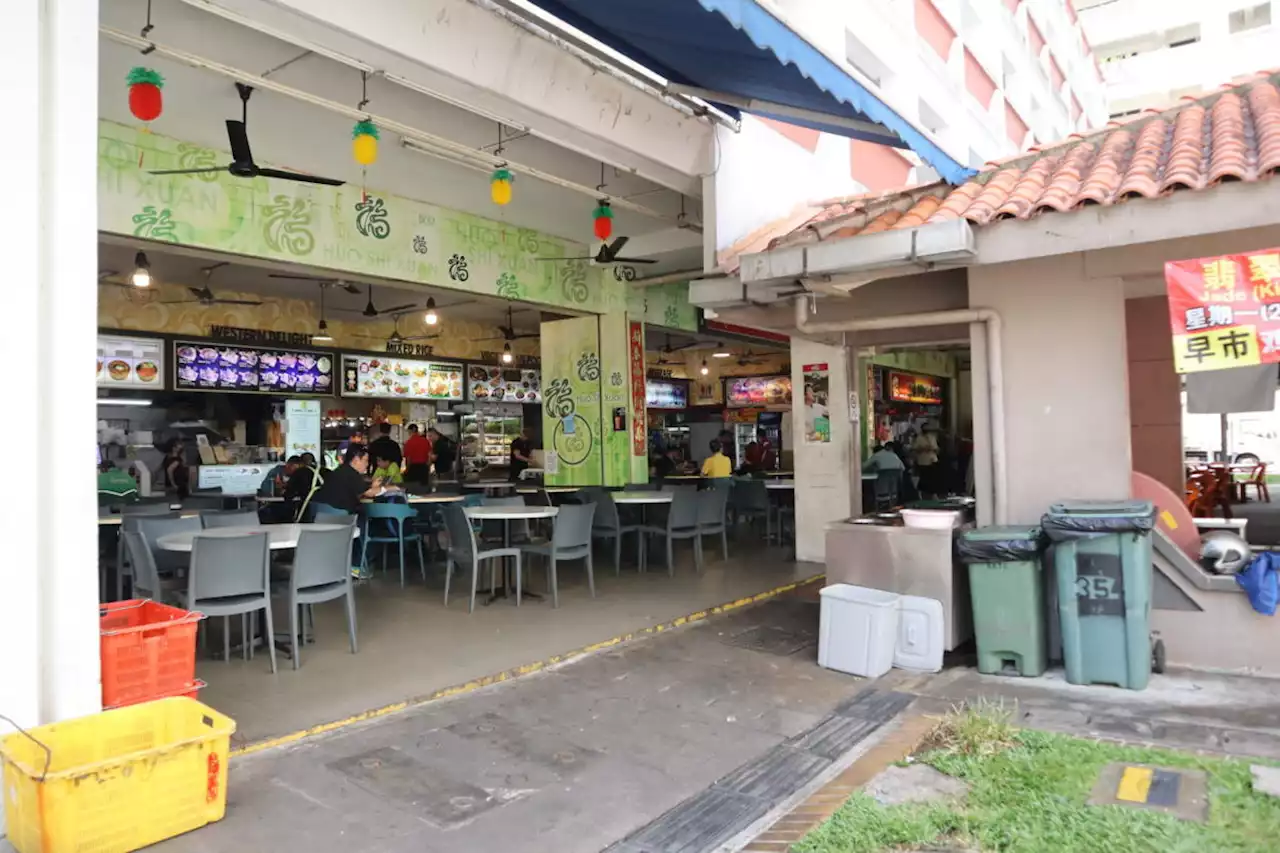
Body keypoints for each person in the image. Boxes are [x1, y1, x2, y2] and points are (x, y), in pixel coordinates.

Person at [310, 445, 382, 514]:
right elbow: (370, 493)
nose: (367, 464)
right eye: (366, 460)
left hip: (323, 513)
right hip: (341, 515)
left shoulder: (340, 470)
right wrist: (389, 488)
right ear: (356, 460)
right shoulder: (352, 474)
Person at [912, 423, 942, 498]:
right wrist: (923, 449)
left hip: (932, 459)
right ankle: (922, 494)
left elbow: (936, 449)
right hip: (923, 461)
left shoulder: (932, 437)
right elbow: (914, 449)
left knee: (933, 478)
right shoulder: (918, 438)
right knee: (923, 478)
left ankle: (933, 494)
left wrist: (933, 449)